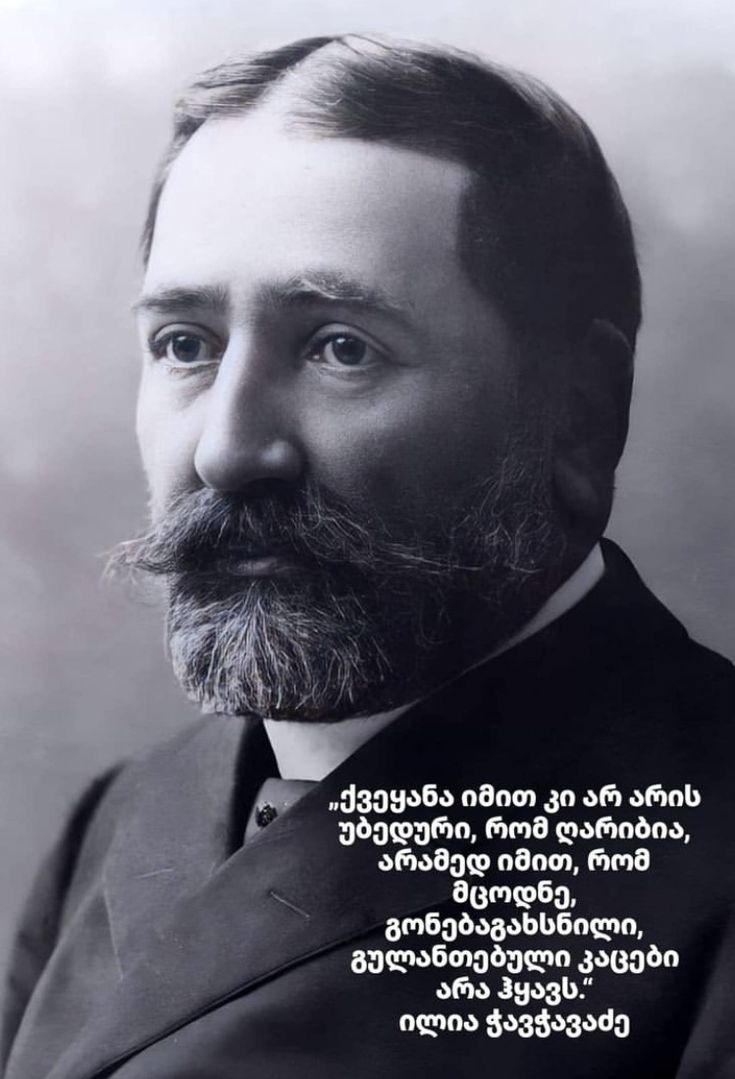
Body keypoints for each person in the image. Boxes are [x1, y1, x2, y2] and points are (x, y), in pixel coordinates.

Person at [3, 33, 735, 1079]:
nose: (228, 447)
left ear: (579, 412)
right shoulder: (124, 815)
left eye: (341, 346)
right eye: (185, 344)